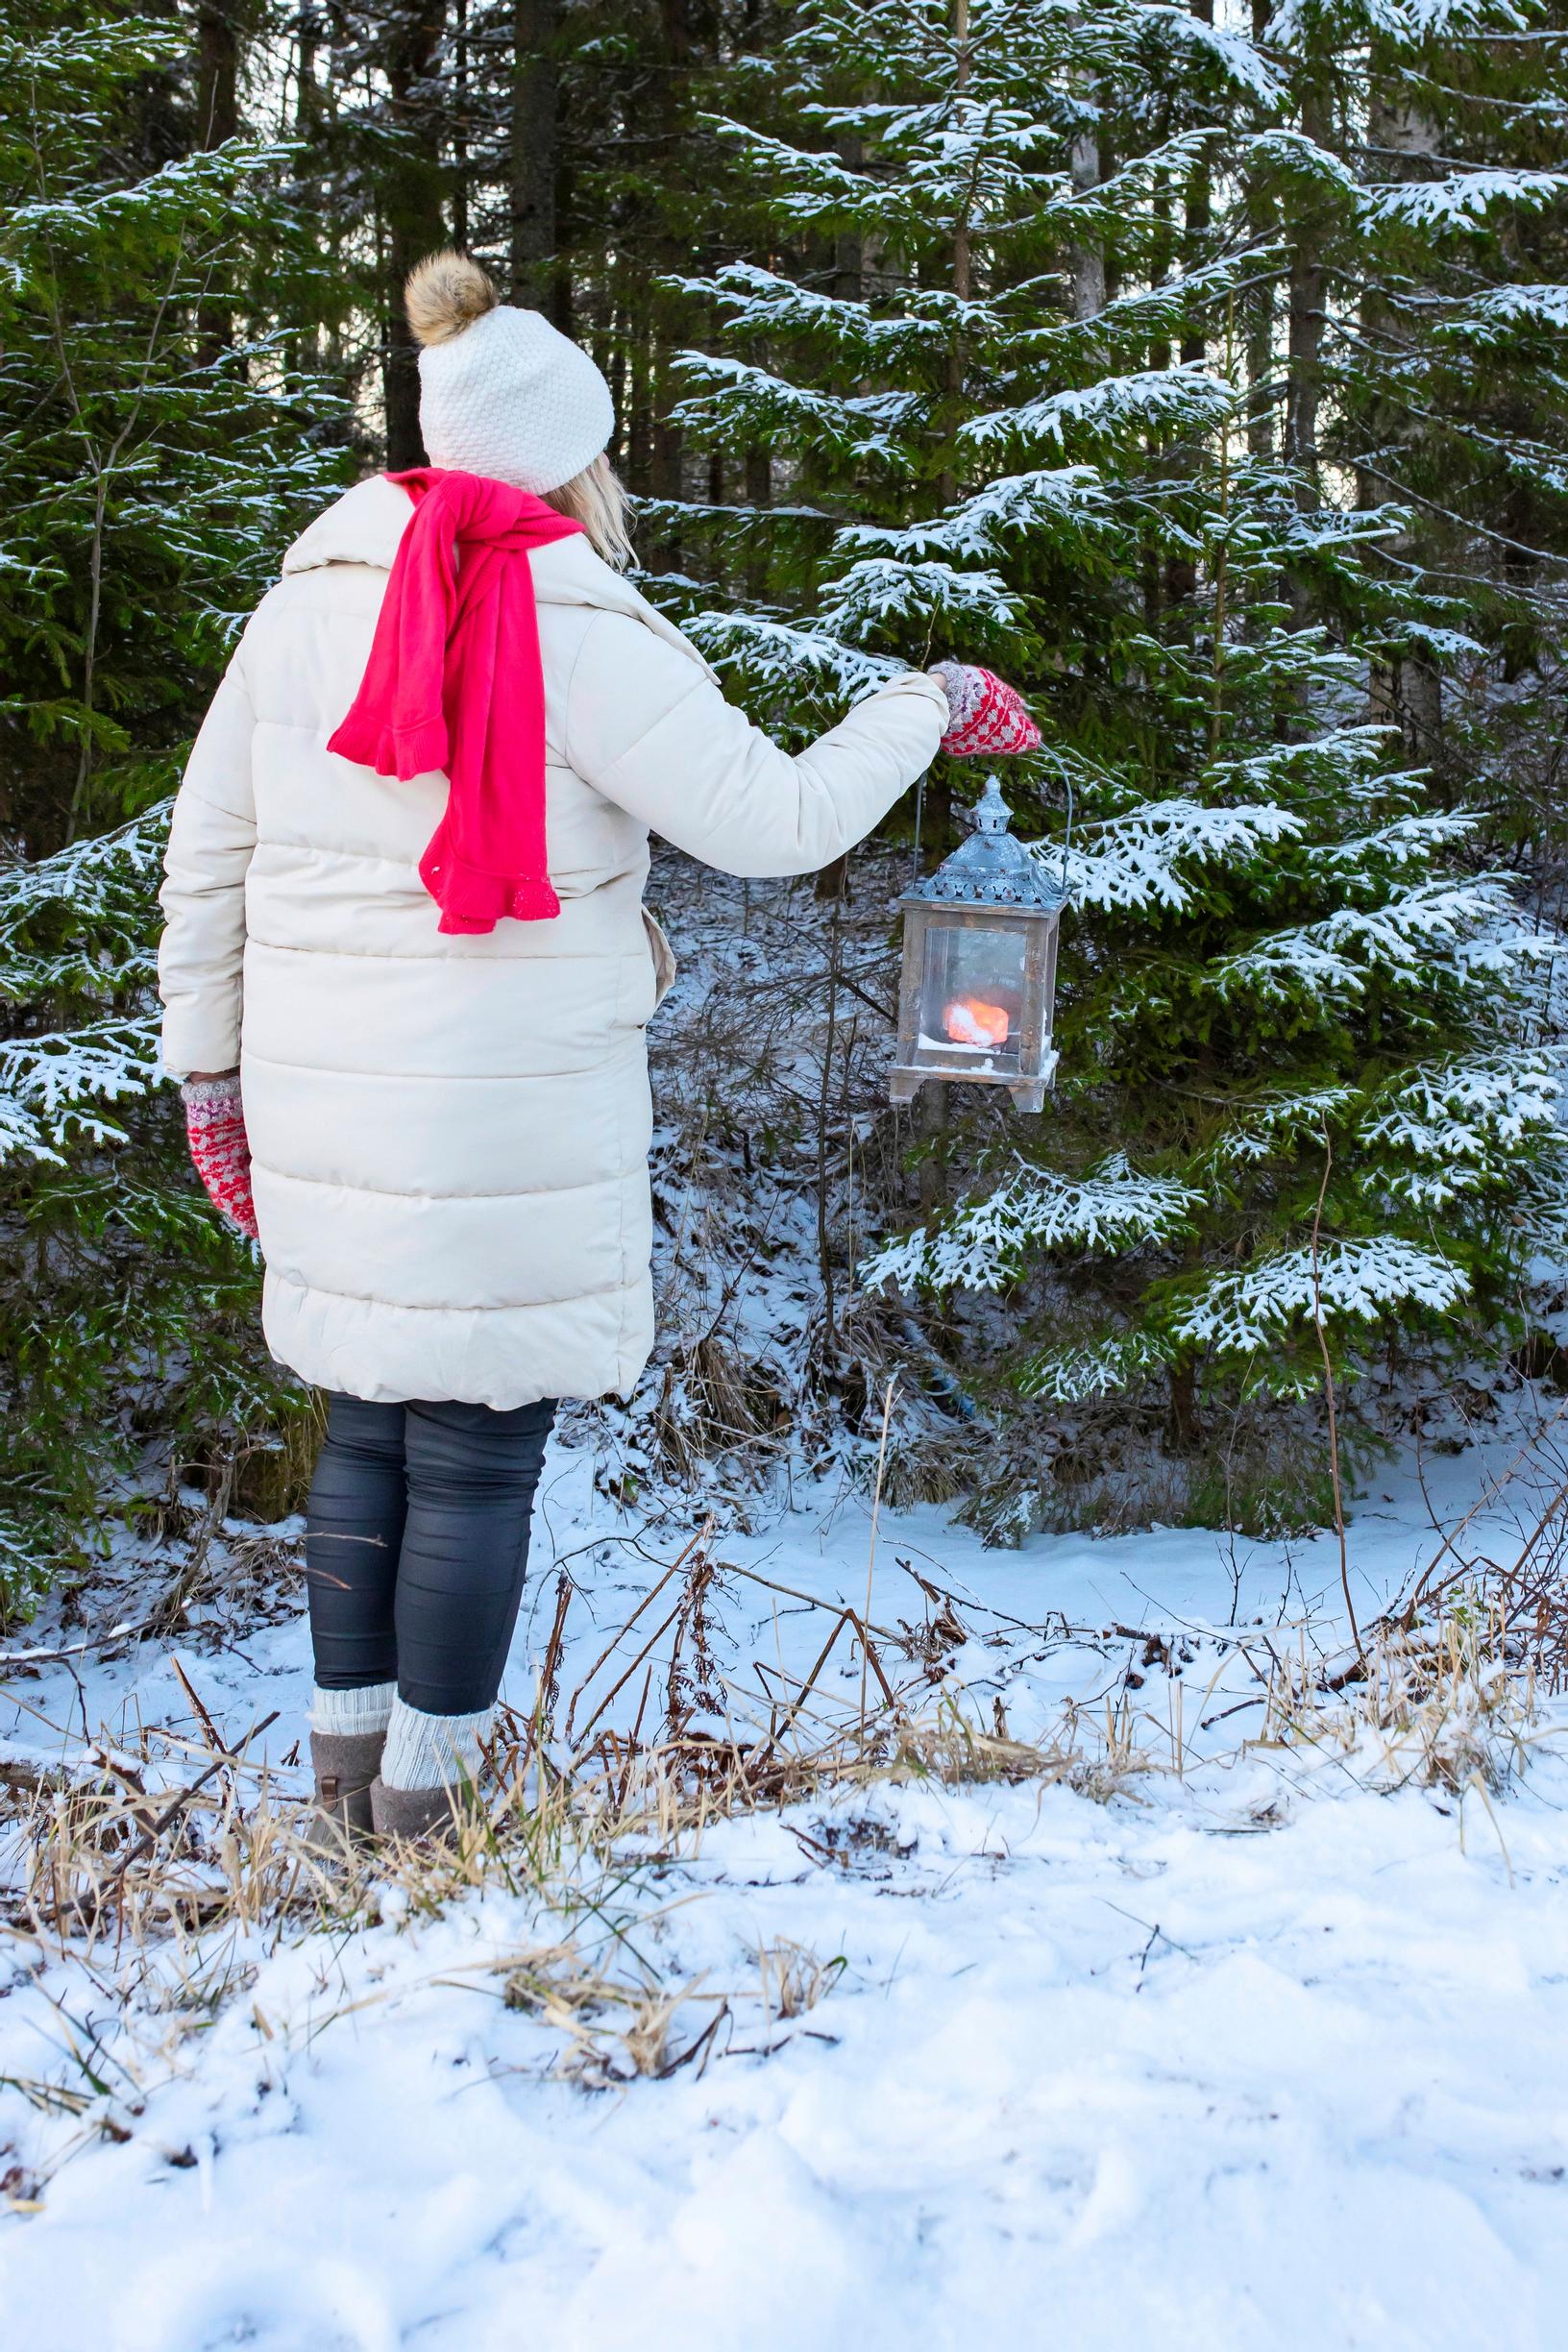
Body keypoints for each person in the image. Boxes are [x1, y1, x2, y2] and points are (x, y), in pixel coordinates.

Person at [158, 250, 1030, 1842]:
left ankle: (349, 1792)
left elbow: (206, 857)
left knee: (366, 1423)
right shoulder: (578, 620)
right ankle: (433, 1816)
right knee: (478, 1453)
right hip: (507, 1113)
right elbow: (776, 821)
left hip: (320, 1102)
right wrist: (930, 701)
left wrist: (207, 1080)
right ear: (570, 451)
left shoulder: (299, 609)